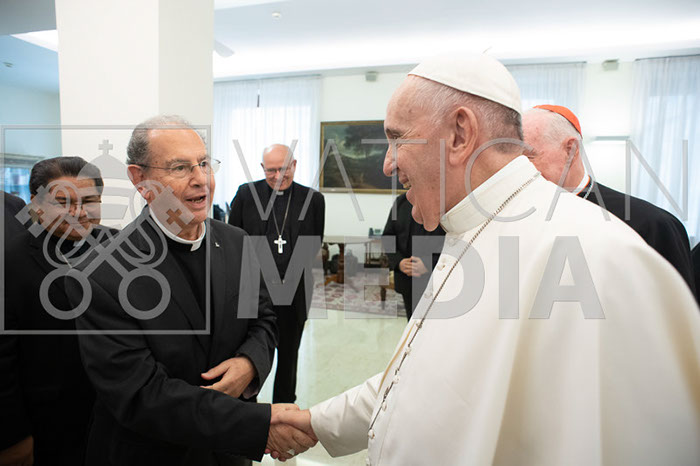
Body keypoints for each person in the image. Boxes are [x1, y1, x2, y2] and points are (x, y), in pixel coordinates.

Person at [272, 55, 700, 465]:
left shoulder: (595, 254)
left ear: (460, 134)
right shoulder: (468, 229)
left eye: (397, 138)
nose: (387, 163)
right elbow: (415, 380)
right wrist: (318, 422)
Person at [68, 116, 316, 466]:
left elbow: (263, 319)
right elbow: (142, 395)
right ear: (140, 180)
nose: (201, 179)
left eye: (203, 163)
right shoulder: (100, 275)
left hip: (228, 455)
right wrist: (258, 425)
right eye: (180, 167)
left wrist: (250, 363)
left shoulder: (238, 242)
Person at [1, 157, 113, 466]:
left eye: (89, 201)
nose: (78, 212)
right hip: (50, 424)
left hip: (118, 416)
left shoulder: (122, 248)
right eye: (63, 202)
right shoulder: (10, 262)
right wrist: (13, 436)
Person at [523, 104, 696, 297]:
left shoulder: (651, 224)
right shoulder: (519, 216)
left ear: (571, 150)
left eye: (528, 156)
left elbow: (673, 308)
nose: (520, 169)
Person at [229, 144, 325, 403]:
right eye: (271, 170)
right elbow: (233, 240)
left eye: (283, 168)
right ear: (262, 168)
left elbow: (313, 244)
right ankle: (246, 406)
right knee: (249, 351)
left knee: (289, 355)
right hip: (254, 290)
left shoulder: (313, 200)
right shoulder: (246, 195)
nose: (277, 175)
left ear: (294, 165)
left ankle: (283, 408)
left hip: (295, 291)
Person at [381, 193, 445, 319]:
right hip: (407, 280)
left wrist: (428, 263)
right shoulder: (401, 202)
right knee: (413, 323)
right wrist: (399, 262)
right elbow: (388, 237)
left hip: (436, 280)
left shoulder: (444, 201)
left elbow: (455, 241)